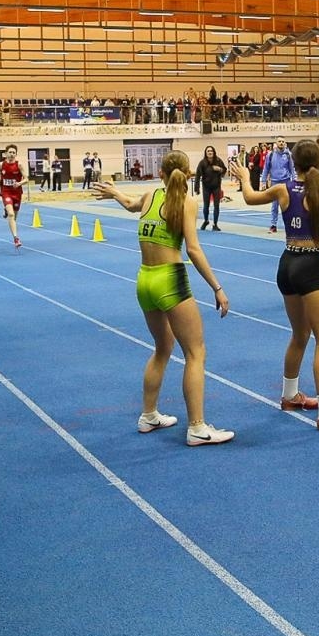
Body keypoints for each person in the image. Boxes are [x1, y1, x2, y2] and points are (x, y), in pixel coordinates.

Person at [91, 152, 235, 444]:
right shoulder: (187, 203)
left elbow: (131, 205)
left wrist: (115, 191)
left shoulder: (149, 196)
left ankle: (148, 415)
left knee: (162, 348)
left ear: (161, 173)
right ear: (188, 175)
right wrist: (217, 287)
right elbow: (193, 250)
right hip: (170, 280)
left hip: (144, 280)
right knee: (195, 353)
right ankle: (197, 427)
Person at [226, 142, 319, 435]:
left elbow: (249, 198)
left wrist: (244, 177)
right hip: (310, 265)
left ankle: (290, 395)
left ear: (292, 162)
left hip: (286, 263)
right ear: (316, 162)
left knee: (300, 334)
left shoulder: (283, 188)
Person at [0, 145, 29, 249]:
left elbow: (26, 179)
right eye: (10, 152)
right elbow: (1, 176)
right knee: (11, 215)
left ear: (16, 154)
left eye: (13, 152)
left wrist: (19, 183)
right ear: (6, 153)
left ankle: (7, 209)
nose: (11, 154)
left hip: (17, 193)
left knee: (14, 217)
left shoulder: (19, 165)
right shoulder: (1, 164)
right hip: (6, 192)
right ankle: (16, 238)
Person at [264, 138, 294, 233]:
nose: (281, 143)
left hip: (286, 181)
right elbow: (266, 168)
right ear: (276, 143)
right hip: (274, 182)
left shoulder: (288, 155)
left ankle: (289, 225)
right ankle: (273, 225)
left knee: (287, 204)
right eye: (279, 141)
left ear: (285, 143)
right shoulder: (270, 155)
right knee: (275, 205)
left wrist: (295, 181)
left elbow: (292, 168)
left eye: (283, 141)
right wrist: (263, 181)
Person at [193, 145, 227, 230]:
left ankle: (215, 224)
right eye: (208, 151)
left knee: (216, 206)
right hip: (206, 187)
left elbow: (225, 169)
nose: (210, 152)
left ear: (214, 152)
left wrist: (219, 169)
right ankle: (206, 220)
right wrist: (196, 188)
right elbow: (197, 176)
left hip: (216, 187)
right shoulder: (202, 163)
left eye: (211, 151)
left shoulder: (218, 161)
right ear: (206, 153)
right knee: (206, 205)